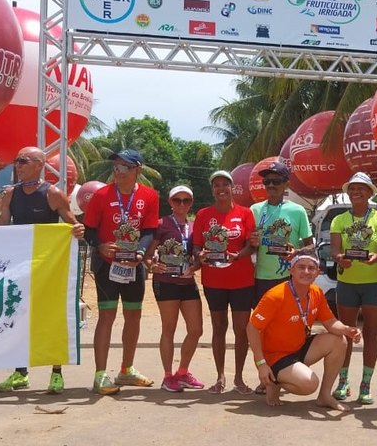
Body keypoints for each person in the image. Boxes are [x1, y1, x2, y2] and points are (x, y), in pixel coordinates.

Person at [0, 146, 84, 394]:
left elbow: (74, 224)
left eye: (23, 161)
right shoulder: (10, 194)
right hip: (19, 268)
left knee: (52, 318)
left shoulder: (52, 194)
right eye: (16, 161)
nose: (17, 166)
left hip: (48, 268)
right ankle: (20, 373)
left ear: (40, 164)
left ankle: (57, 374)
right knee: (16, 317)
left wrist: (78, 230)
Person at [83, 149, 159, 395]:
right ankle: (100, 374)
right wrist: (100, 245)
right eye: (115, 166)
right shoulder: (101, 195)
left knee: (133, 316)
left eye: (124, 167)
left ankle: (126, 369)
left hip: (133, 265)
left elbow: (149, 231)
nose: (118, 171)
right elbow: (88, 229)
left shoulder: (150, 196)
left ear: (138, 169)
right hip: (107, 264)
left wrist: (140, 253)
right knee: (107, 316)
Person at [247, 248, 361, 409]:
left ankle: (325, 396)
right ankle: (274, 382)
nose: (306, 272)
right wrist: (261, 364)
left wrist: (348, 330)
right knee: (309, 384)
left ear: (317, 272)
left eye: (311, 268)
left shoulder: (316, 292)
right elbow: (252, 328)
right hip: (275, 356)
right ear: (291, 270)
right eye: (301, 267)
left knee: (339, 340)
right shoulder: (275, 295)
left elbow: (330, 323)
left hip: (300, 347)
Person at [248, 161, 313, 394]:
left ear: (287, 184)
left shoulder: (297, 211)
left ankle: (285, 371)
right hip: (261, 278)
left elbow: (310, 246)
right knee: (263, 330)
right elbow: (249, 245)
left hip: (288, 279)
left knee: (288, 328)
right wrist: (252, 243)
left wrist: (297, 252)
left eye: (276, 181)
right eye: (267, 181)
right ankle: (266, 376)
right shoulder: (255, 210)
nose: (271, 185)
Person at [329, 172, 377, 404]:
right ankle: (343, 382)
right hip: (347, 282)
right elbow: (335, 250)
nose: (356, 192)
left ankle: (366, 384)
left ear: (369, 192)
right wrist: (340, 259)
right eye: (352, 188)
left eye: (361, 188)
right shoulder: (339, 220)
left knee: (371, 333)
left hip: (375, 283)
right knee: (346, 332)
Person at [192, 170, 256, 394]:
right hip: (214, 280)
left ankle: (239, 378)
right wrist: (199, 255)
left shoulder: (245, 213)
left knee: (241, 330)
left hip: (242, 280)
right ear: (212, 190)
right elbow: (197, 245)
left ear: (232, 188)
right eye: (216, 185)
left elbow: (251, 244)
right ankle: (220, 377)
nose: (221, 188)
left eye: (225, 184)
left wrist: (239, 255)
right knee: (218, 327)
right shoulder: (203, 215)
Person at [146, 185, 204, 392]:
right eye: (177, 200)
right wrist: (151, 265)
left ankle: (182, 372)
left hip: (187, 282)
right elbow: (147, 254)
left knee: (196, 330)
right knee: (168, 329)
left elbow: (198, 256)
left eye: (186, 200)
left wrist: (196, 267)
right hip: (166, 282)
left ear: (191, 203)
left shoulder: (194, 226)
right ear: (170, 202)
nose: (182, 204)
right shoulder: (161, 224)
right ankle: (167, 376)